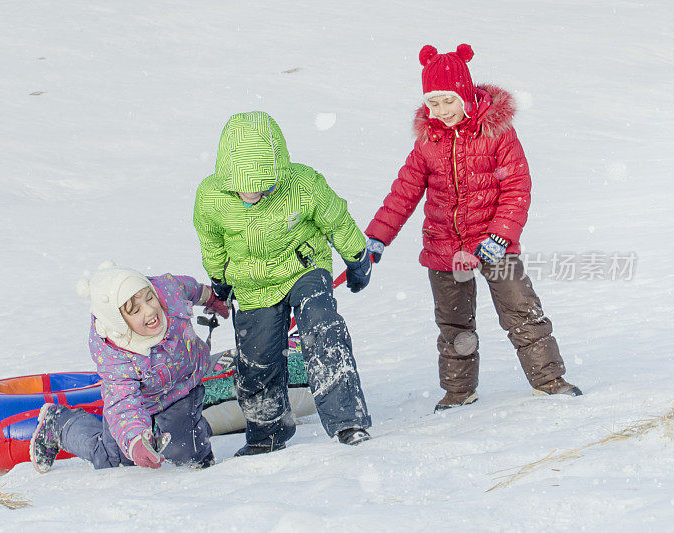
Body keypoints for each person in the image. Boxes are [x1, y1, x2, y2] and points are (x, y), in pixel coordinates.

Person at [365, 44, 582, 412]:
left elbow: (517, 188)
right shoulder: (428, 142)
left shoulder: (497, 134)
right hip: (444, 247)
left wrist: (501, 235)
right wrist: (377, 237)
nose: (442, 111)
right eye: (433, 103)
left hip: (494, 244)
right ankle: (459, 391)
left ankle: (548, 380)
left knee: (522, 311)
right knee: (454, 326)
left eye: (448, 100)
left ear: (464, 95)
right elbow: (403, 192)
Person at [193, 111, 373, 456]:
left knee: (323, 327)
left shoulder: (303, 184)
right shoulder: (211, 197)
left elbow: (337, 220)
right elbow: (211, 242)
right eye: (244, 185)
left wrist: (356, 257)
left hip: (303, 267)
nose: (254, 191)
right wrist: (219, 278)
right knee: (256, 358)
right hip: (251, 283)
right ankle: (267, 434)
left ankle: (348, 421)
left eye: (264, 183)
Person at [30, 262, 228, 472]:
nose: (151, 309)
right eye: (135, 310)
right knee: (111, 459)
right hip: (140, 401)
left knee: (189, 455)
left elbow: (190, 288)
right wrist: (134, 442)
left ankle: (190, 432)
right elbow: (123, 404)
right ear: (118, 322)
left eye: (149, 298)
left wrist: (211, 298)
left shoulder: (167, 291)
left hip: (182, 386)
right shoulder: (116, 356)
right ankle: (58, 423)